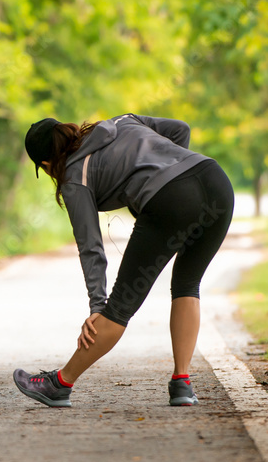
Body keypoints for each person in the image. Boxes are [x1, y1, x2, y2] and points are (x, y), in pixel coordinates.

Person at [12, 114, 233, 408]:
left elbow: (91, 247)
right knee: (187, 284)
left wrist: (96, 305)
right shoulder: (121, 121)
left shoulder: (74, 177)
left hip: (170, 198)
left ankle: (60, 384)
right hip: (215, 182)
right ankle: (182, 382)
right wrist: (171, 165)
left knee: (119, 307)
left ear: (46, 165)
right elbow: (180, 130)